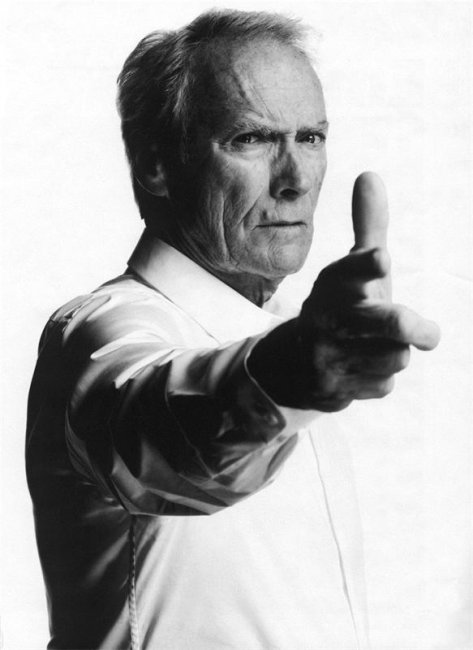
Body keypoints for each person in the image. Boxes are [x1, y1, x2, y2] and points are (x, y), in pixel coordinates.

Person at [26, 9, 440, 650]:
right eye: (251, 139)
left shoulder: (292, 332)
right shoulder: (100, 332)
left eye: (311, 137)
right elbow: (161, 434)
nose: (296, 180)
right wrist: (294, 374)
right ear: (157, 166)